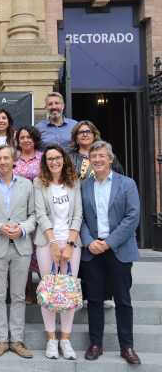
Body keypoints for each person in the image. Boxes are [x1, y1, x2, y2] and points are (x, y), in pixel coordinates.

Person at [80, 141, 141, 365]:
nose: (97, 159)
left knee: (123, 301)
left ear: (110, 159)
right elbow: (80, 218)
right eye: (93, 156)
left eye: (101, 156)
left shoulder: (127, 184)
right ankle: (96, 344)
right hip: (92, 251)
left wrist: (109, 242)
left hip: (119, 249)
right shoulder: (84, 186)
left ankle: (127, 346)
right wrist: (88, 242)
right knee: (94, 300)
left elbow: (132, 217)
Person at [0, 144, 36, 359]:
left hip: (21, 247)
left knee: (19, 295)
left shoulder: (27, 185)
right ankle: (1, 340)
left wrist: (22, 229)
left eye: (6, 158)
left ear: (15, 161)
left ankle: (18, 340)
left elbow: (34, 215)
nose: (2, 162)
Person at [33, 144, 83, 360]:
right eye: (50, 159)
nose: (54, 162)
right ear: (45, 162)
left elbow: (78, 214)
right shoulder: (39, 183)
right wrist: (53, 243)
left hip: (72, 242)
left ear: (64, 160)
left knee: (68, 290)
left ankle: (65, 339)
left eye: (57, 158)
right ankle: (51, 339)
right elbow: (40, 213)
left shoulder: (74, 182)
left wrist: (70, 245)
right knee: (50, 290)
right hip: (46, 242)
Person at [69, 120, 122, 309]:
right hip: (79, 207)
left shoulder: (107, 155)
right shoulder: (69, 157)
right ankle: (84, 293)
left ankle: (107, 294)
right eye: (80, 132)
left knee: (104, 249)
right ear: (75, 136)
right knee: (84, 252)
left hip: (104, 208)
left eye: (88, 131)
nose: (84, 134)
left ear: (94, 134)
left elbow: (119, 178)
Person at [13, 126, 43, 305]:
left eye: (29, 137)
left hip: (40, 209)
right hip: (18, 210)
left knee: (40, 250)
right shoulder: (13, 157)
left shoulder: (42, 158)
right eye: (22, 137)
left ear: (35, 139)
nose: (25, 140)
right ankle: (27, 291)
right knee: (23, 251)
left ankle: (45, 289)